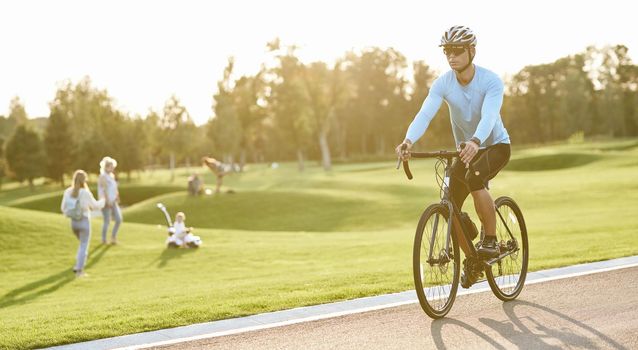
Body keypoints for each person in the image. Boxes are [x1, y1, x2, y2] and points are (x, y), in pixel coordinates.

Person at [395, 26, 511, 288]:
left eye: (458, 50)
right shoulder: (443, 83)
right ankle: (473, 260)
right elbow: (425, 114)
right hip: (466, 149)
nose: (452, 56)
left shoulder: (491, 81)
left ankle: (490, 239)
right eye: (447, 51)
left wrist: (475, 140)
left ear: (472, 51)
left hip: (494, 145)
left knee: (475, 177)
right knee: (449, 205)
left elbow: (489, 116)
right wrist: (408, 140)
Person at [61, 170, 105, 277]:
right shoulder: (85, 192)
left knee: (82, 245)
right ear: (84, 180)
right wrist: (103, 200)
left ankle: (78, 265)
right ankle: (79, 270)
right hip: (84, 222)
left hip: (73, 223)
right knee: (83, 245)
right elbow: (95, 206)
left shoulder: (68, 192)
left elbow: (63, 208)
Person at [98, 156, 123, 245]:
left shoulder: (111, 176)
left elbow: (114, 188)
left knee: (119, 219)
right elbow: (104, 190)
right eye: (110, 166)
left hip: (113, 201)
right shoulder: (102, 176)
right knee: (107, 221)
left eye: (112, 166)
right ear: (106, 167)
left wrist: (117, 196)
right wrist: (107, 201)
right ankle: (104, 239)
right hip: (106, 202)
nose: (112, 168)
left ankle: (113, 237)